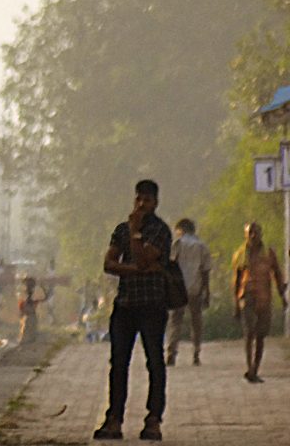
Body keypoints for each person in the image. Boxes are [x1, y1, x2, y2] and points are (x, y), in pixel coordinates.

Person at [93, 180, 171, 442]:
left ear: (155, 203)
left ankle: (153, 419)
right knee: (118, 363)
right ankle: (114, 419)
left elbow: (141, 258)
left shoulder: (160, 231)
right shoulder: (120, 230)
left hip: (152, 304)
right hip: (125, 303)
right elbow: (109, 263)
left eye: (146, 201)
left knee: (154, 362)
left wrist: (137, 234)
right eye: (138, 199)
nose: (141, 205)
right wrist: (136, 269)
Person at [231, 222, 288, 383]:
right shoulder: (240, 254)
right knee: (249, 333)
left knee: (261, 335)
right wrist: (235, 303)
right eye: (250, 233)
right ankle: (250, 368)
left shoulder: (268, 254)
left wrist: (283, 298)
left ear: (261, 234)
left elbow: (277, 275)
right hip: (246, 296)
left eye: (256, 232)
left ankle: (256, 367)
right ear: (246, 236)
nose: (253, 236)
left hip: (264, 297)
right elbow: (236, 281)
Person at [166, 218, 212, 366]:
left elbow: (170, 265)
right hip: (195, 287)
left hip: (179, 288)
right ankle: (196, 352)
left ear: (181, 230)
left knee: (175, 321)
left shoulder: (177, 244)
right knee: (196, 320)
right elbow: (205, 271)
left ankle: (172, 352)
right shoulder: (201, 246)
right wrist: (206, 291)